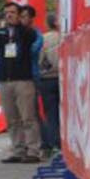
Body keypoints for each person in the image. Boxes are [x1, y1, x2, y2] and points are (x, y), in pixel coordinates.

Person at [0, 0, 44, 164]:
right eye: (6, 13)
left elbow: (30, 37)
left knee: (28, 116)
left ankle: (33, 150)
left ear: (19, 15)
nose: (9, 15)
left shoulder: (26, 32)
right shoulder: (1, 32)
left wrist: (19, 24)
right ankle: (17, 149)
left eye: (13, 13)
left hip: (23, 79)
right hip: (4, 79)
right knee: (11, 118)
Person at [35, 9, 64, 158]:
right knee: (65, 112)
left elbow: (39, 60)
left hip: (47, 79)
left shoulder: (43, 39)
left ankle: (54, 143)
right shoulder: (66, 37)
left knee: (51, 113)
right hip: (64, 79)